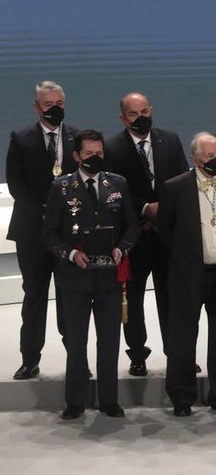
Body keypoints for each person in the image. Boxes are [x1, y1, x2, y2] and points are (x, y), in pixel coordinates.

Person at [43, 129, 140, 418]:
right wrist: (71, 254)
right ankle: (75, 401)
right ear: (76, 156)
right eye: (89, 154)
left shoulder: (117, 184)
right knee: (76, 341)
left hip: (110, 277)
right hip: (75, 278)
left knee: (109, 339)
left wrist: (122, 249)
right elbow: (49, 234)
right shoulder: (60, 187)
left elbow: (132, 226)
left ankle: (109, 399)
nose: (95, 158)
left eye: (99, 153)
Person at [157, 133, 216, 417]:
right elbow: (166, 232)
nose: (215, 160)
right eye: (209, 156)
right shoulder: (175, 188)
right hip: (188, 275)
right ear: (194, 158)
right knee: (182, 337)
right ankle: (181, 398)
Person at [103, 91, 188, 376]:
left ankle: (177, 353)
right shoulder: (111, 148)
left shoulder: (171, 140)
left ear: (152, 110)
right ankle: (137, 354)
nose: (141, 118)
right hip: (134, 236)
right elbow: (114, 190)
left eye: (144, 112)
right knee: (133, 300)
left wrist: (162, 209)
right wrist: (145, 209)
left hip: (167, 236)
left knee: (172, 297)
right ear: (122, 118)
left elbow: (181, 180)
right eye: (133, 114)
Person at [5, 80, 78, 380]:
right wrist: (46, 215)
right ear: (37, 107)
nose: (55, 110)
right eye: (49, 105)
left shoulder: (77, 138)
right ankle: (29, 359)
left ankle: (76, 359)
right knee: (34, 295)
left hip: (68, 234)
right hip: (32, 232)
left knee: (69, 297)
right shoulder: (21, 138)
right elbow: (16, 185)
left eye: (59, 104)